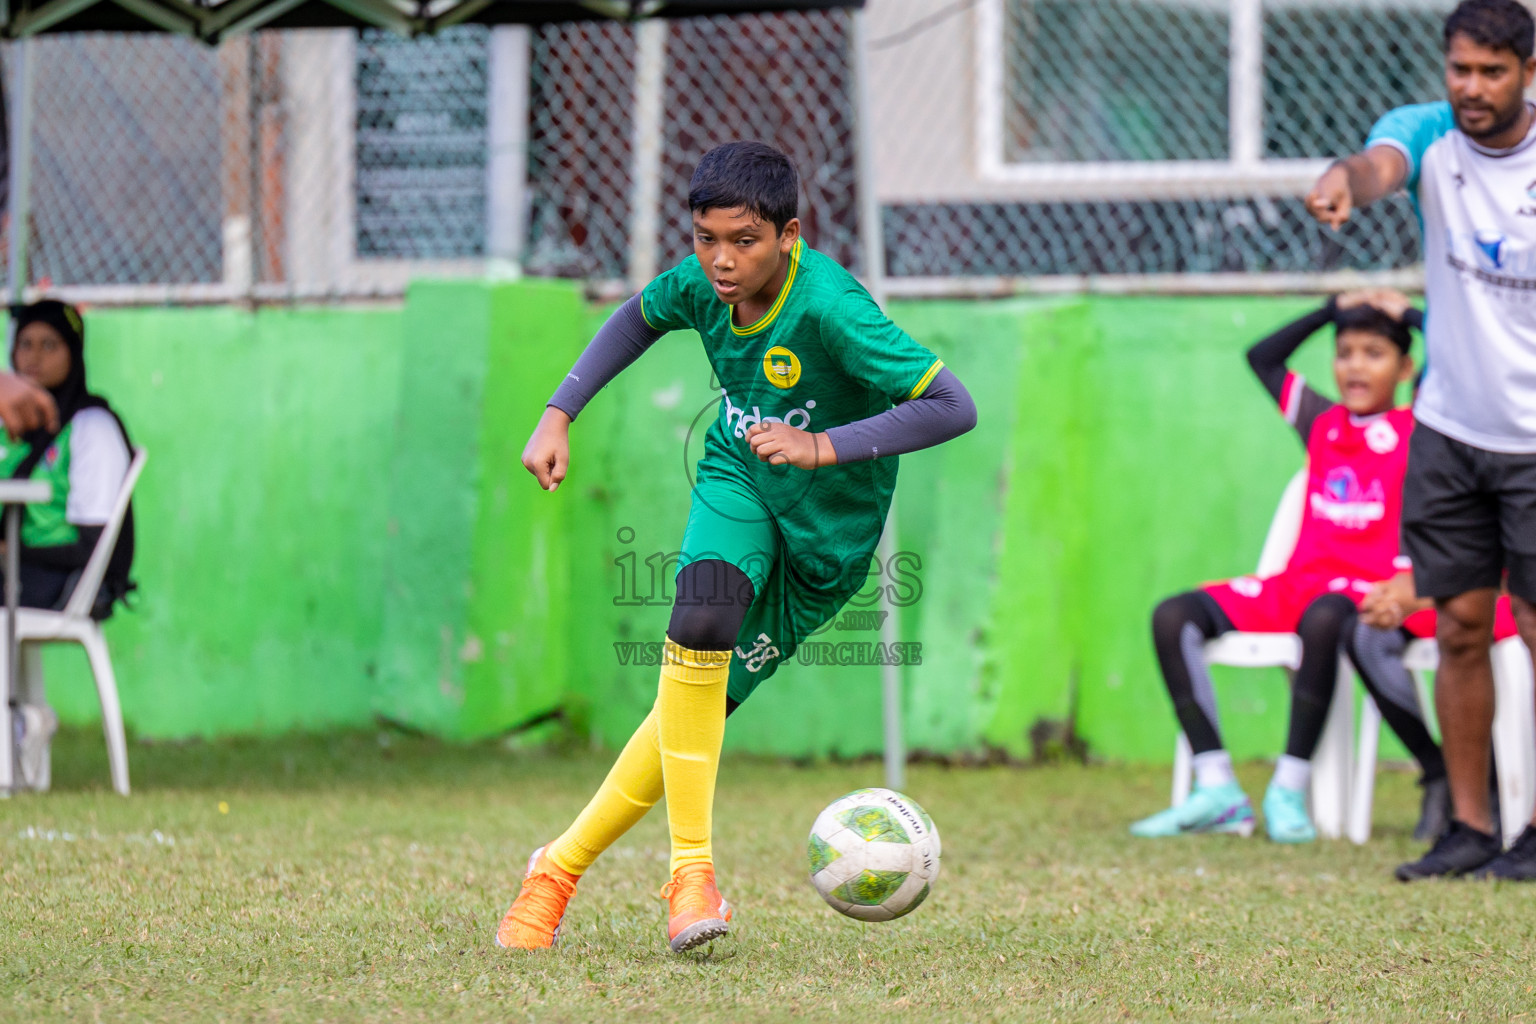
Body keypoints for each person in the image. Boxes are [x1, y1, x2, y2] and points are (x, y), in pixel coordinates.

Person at [501, 142, 976, 953]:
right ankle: (692, 876)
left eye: (744, 242)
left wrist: (822, 448)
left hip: (825, 550)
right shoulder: (700, 285)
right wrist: (558, 414)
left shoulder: (831, 308)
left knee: (687, 714)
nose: (721, 262)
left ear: (789, 234)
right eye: (705, 239)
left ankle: (556, 868)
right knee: (701, 618)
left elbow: (950, 405)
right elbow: (634, 320)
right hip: (741, 478)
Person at [1306, 0, 1536, 879]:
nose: (1472, 89)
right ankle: (1470, 827)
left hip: (1533, 439)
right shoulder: (1431, 137)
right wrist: (1341, 183)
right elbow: (1375, 165)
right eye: (1460, 70)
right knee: (1462, 629)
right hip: (1449, 431)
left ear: (1527, 72)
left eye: (1492, 72)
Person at [1132, 290, 1450, 843]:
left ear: (1404, 368)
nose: (1355, 364)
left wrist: (1410, 316)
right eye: (1344, 351)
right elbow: (1263, 358)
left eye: (1374, 353)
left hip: (1365, 589)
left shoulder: (1420, 423)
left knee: (1328, 616)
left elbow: (1450, 353)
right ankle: (1218, 788)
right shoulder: (1322, 422)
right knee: (1172, 614)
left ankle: (1288, 786)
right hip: (1297, 584)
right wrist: (1332, 307)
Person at [2, 299, 134, 613]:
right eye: (25, 344)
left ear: (72, 353)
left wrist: (12, 551)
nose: (34, 357)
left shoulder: (91, 426)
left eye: (49, 345)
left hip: (62, 579)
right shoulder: (12, 429)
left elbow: (94, 546)